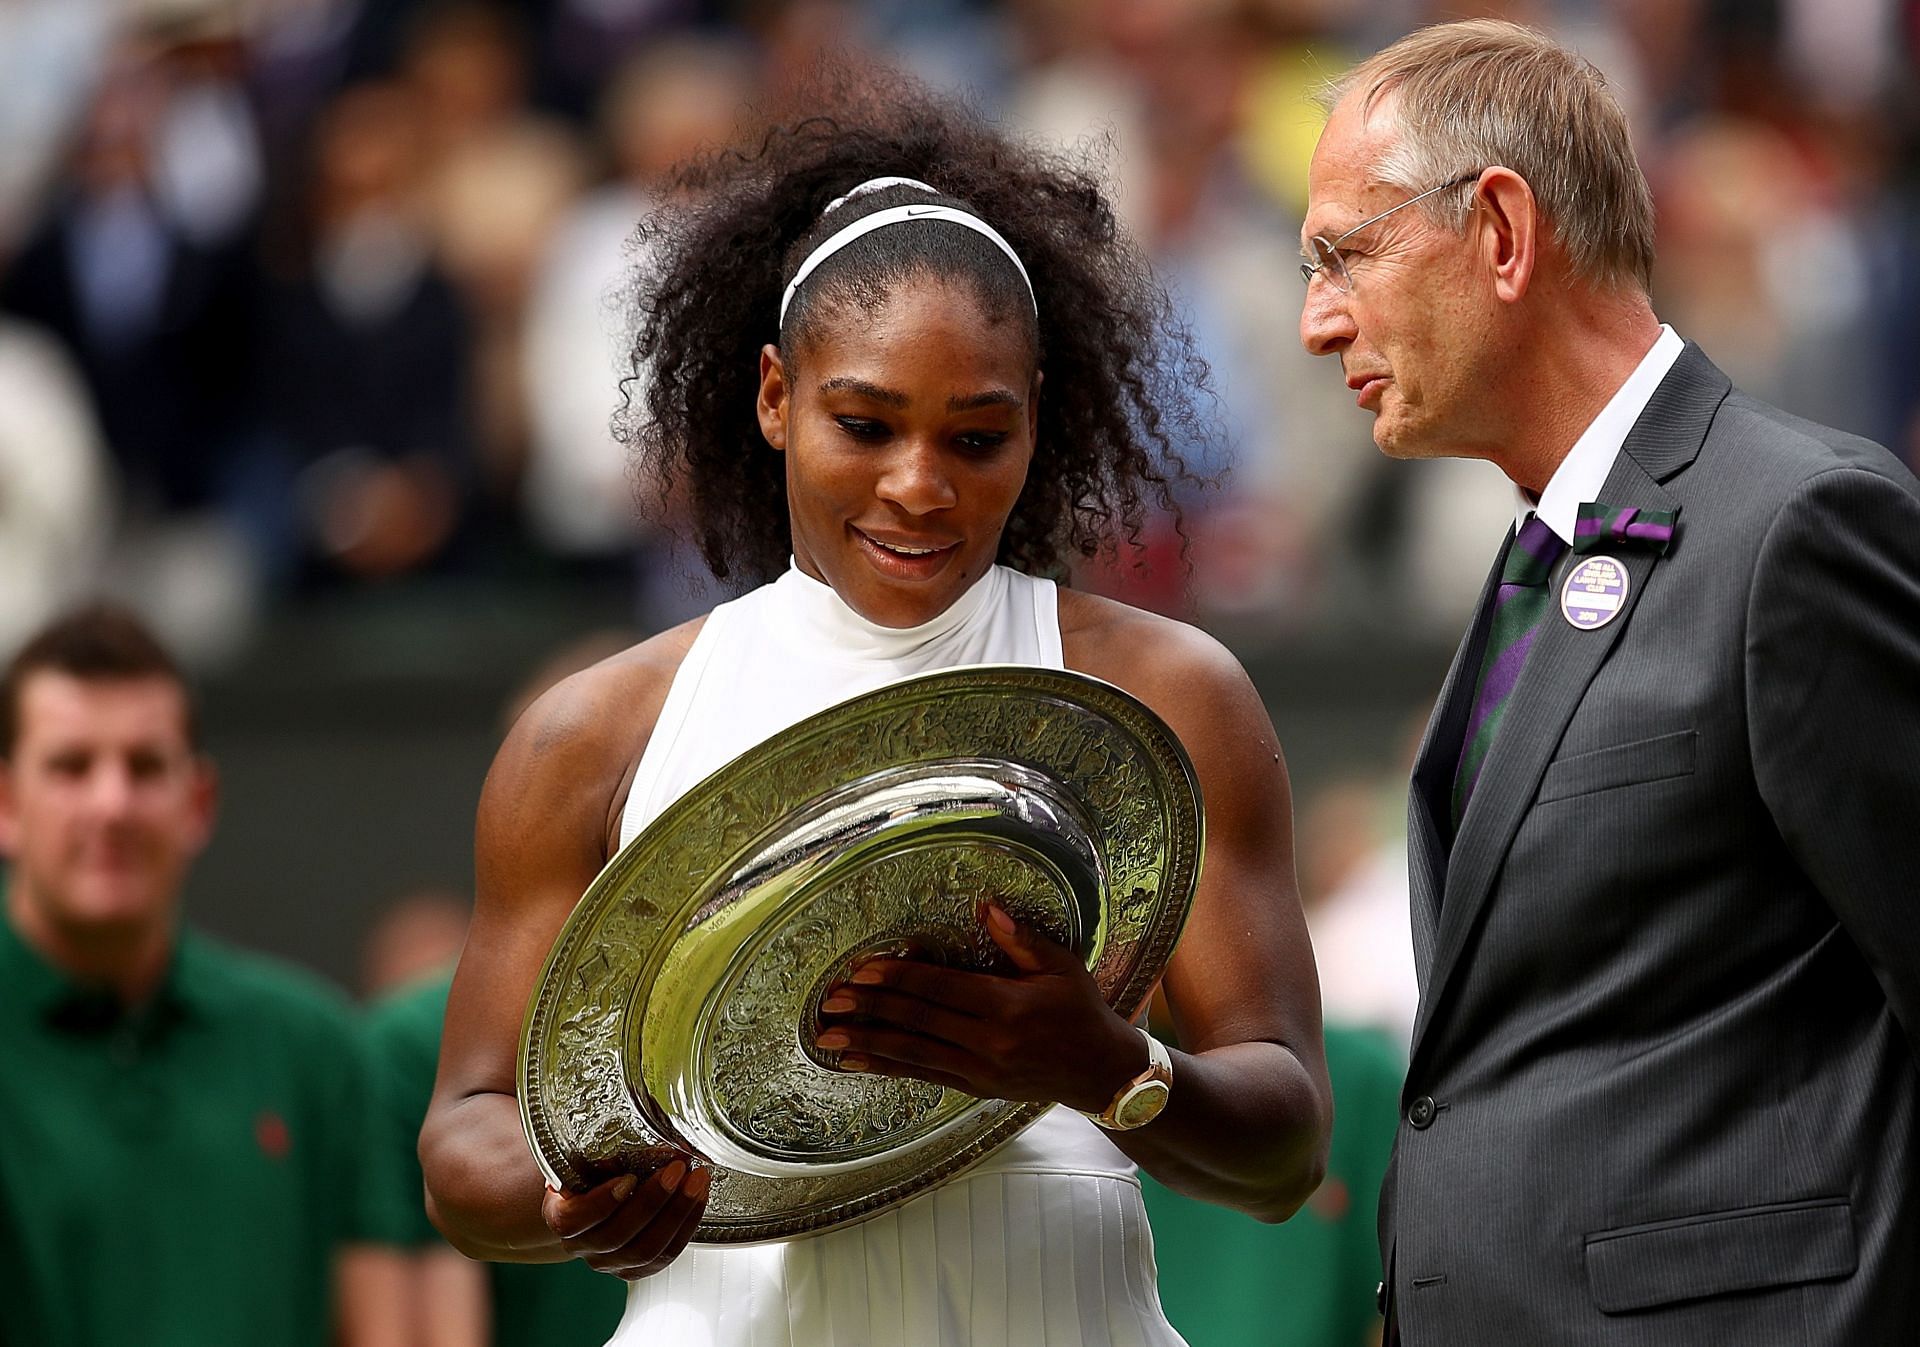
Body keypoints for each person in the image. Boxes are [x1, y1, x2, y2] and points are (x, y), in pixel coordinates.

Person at [422, 74, 1333, 1344]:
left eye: (976, 439)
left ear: (1036, 428)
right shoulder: (593, 737)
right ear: (774, 398)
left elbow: (1285, 1146)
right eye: (865, 423)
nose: (919, 486)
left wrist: (1102, 1066)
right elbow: (463, 1139)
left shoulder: (1167, 697)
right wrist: (576, 1189)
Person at [1297, 19, 1920, 1346]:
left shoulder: (1801, 526)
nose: (1314, 320)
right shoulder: (1538, 553)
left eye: (1344, 253)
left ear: (1503, 232)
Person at [0, 603, 394, 1346]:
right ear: (7, 802)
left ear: (200, 801)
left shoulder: (313, 1050)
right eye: (71, 765)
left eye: (145, 766)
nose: (111, 803)